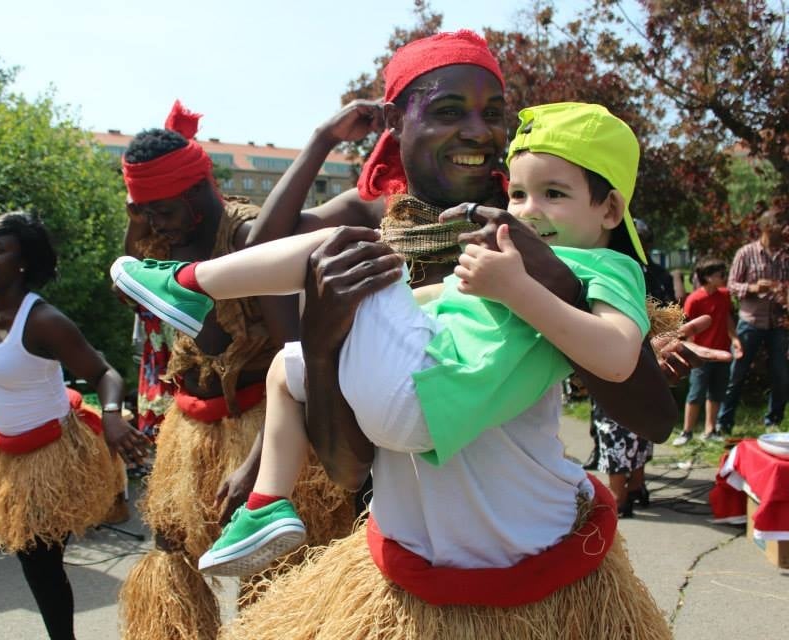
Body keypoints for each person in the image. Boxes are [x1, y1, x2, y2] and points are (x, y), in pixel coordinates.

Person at [214, 30, 729, 639]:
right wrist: (320, 346)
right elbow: (349, 468)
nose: (478, 132)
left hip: (543, 572)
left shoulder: (533, 230)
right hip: (405, 571)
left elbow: (649, 411)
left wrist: (554, 290)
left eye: (493, 115)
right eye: (448, 111)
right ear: (394, 126)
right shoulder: (370, 236)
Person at [112, 101, 655, 576]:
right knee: (287, 367)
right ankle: (265, 505)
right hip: (411, 400)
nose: (528, 211)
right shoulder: (507, 259)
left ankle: (190, 285)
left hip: (419, 398)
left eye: (553, 194)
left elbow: (616, 356)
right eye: (518, 193)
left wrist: (515, 289)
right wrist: (367, 304)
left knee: (344, 245)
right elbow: (435, 301)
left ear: (609, 209)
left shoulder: (603, 267)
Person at [113, 102, 355, 640]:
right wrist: (141, 215)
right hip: (189, 433)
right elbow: (131, 270)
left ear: (197, 191)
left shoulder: (249, 240)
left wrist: (257, 463)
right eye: (142, 212)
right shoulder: (163, 241)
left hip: (262, 426)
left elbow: (296, 361)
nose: (152, 224)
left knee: (268, 576)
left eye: (161, 211)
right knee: (171, 555)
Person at [0, 211, 145, 640]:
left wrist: (112, 418)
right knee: (35, 559)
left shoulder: (44, 321)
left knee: (39, 559)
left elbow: (104, 374)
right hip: (8, 450)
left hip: (53, 455)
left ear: (24, 263)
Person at [589, 216, 680, 516]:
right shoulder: (635, 271)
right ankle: (635, 487)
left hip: (630, 356)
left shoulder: (610, 269)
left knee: (619, 424)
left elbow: (668, 314)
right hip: (636, 356)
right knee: (634, 423)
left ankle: (622, 496)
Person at [716, 210, 789, 435]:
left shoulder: (786, 256)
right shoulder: (746, 253)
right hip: (750, 323)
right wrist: (754, 288)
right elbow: (731, 285)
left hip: (778, 324)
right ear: (766, 228)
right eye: (780, 225)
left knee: (781, 375)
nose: (784, 230)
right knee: (737, 373)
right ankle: (723, 423)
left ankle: (773, 421)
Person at [672, 256, 743, 445]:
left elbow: (727, 317)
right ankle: (687, 432)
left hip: (721, 352)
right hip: (700, 355)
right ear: (709, 277)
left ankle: (710, 430)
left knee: (716, 393)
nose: (724, 277)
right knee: (696, 392)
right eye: (721, 274)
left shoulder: (725, 295)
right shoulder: (694, 299)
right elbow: (685, 327)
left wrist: (734, 338)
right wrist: (688, 351)